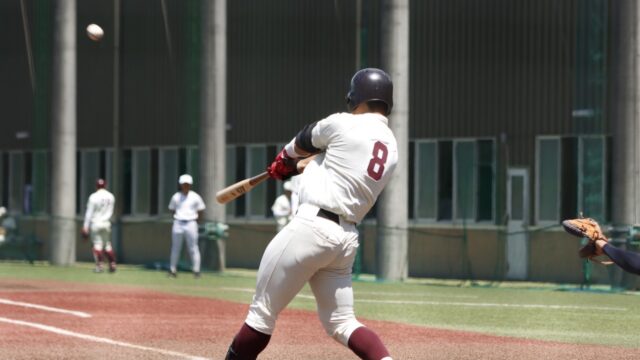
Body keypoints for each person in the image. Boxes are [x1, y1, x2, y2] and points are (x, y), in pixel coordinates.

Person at [225, 68, 397, 360]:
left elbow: (303, 139)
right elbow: (337, 163)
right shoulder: (390, 146)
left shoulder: (344, 124)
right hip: (345, 240)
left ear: (356, 98)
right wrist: (302, 164)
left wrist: (285, 160)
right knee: (342, 322)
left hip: (311, 228)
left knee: (261, 314)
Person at [168, 174, 206, 278]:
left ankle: (196, 270)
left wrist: (197, 221)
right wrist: (178, 217)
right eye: (184, 184)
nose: (185, 186)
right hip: (178, 222)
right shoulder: (176, 197)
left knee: (193, 248)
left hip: (191, 222)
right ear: (180, 185)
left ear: (190, 185)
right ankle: (172, 270)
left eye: (187, 184)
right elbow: (172, 209)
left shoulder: (195, 196)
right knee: (175, 247)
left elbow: (201, 209)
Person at [82, 179, 116, 273]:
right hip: (106, 223)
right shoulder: (111, 196)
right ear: (105, 185)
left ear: (96, 186)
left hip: (96, 223)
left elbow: (89, 213)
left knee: (97, 245)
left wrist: (85, 226)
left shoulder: (93, 196)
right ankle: (112, 264)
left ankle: (99, 266)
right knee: (107, 245)